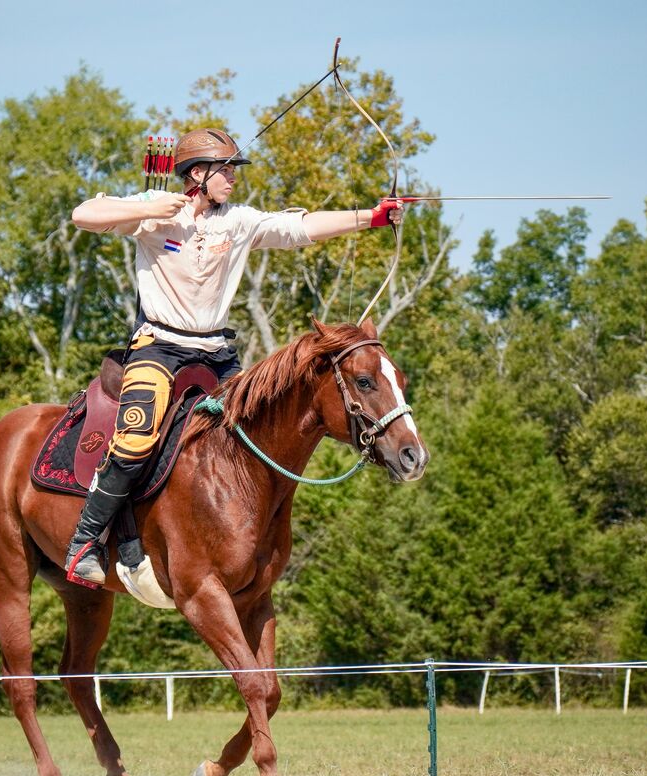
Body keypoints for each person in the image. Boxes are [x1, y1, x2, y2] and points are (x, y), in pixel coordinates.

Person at [64, 127, 403, 586]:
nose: (233, 178)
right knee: (137, 437)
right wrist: (146, 208)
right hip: (158, 347)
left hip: (216, 355)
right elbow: (84, 214)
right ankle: (85, 539)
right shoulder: (155, 213)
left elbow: (299, 228)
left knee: (254, 437)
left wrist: (372, 217)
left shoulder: (238, 221)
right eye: (225, 170)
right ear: (197, 174)